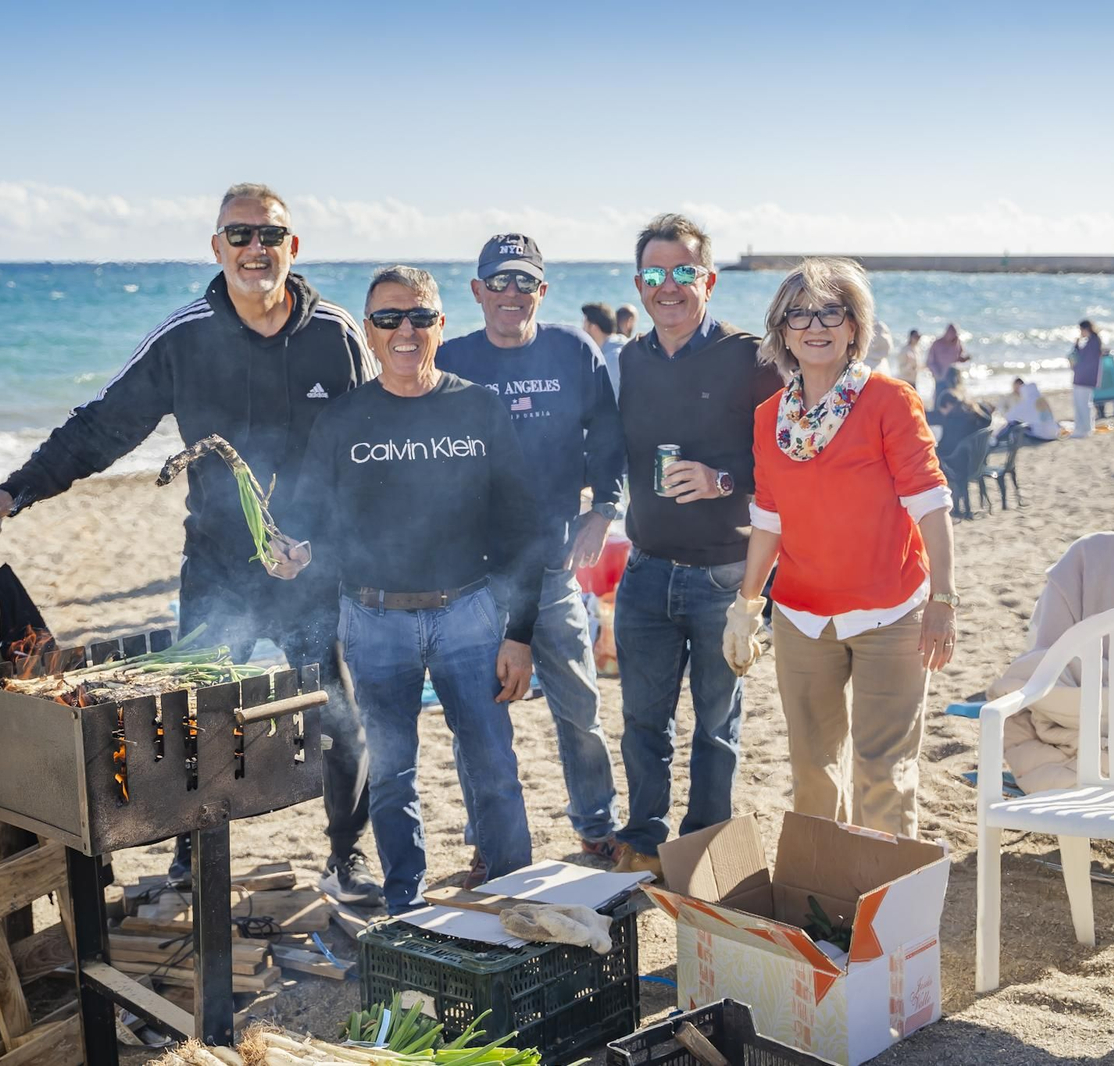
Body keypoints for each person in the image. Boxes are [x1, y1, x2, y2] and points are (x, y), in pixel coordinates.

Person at [0, 182, 383, 903]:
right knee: (197, 716)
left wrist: (323, 543)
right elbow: (103, 425)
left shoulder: (335, 333)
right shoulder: (185, 333)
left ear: (294, 246)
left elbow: (370, 446)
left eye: (271, 236)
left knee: (336, 711)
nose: (257, 249)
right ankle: (192, 860)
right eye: (241, 235)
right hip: (219, 565)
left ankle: (346, 858)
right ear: (217, 247)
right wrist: (19, 489)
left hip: (311, 566)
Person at [280, 265, 539, 913]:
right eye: (389, 318)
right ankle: (406, 908)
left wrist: (521, 633)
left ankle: (517, 901)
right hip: (372, 622)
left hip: (471, 616)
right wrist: (289, 551)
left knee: (495, 772)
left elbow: (523, 529)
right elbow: (308, 522)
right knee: (392, 777)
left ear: (440, 326)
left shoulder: (478, 407)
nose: (405, 329)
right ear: (368, 333)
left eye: (420, 316)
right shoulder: (342, 420)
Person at [722, 257, 956, 838]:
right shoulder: (769, 418)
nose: (815, 324)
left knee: (882, 771)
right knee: (812, 775)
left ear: (854, 327)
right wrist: (747, 607)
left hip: (891, 613)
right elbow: (768, 520)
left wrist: (944, 599)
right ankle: (827, 904)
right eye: (798, 314)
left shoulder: (890, 400)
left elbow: (930, 503)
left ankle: (886, 911)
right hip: (802, 619)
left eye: (831, 311)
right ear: (782, 332)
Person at [440, 237, 625, 871]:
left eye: (525, 282)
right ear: (477, 291)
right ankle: (487, 842)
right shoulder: (452, 357)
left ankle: (596, 827)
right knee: (479, 721)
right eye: (499, 281)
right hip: (471, 579)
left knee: (579, 707)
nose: (511, 294)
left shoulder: (573, 350)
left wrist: (604, 508)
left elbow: (608, 433)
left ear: (541, 291)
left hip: (550, 570)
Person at [610, 214, 785, 878]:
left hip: (724, 577)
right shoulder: (632, 356)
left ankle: (705, 846)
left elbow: (786, 464)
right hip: (646, 571)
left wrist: (722, 480)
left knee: (716, 729)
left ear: (708, 279)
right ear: (639, 284)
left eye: (684, 271)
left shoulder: (750, 358)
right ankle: (646, 841)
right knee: (642, 726)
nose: (670, 286)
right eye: (655, 274)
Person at [581, 300, 627, 397]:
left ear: (594, 328)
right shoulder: (627, 346)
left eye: (584, 325)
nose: (582, 331)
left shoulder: (609, 361)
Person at [1070, 320, 1104, 437]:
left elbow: (1085, 359)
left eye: (1081, 330)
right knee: (1081, 404)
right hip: (1083, 377)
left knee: (1083, 405)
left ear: (1085, 329)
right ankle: (1082, 428)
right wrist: (1076, 346)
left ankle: (1084, 430)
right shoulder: (1092, 341)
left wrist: (1076, 351)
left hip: (1085, 378)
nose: (1080, 332)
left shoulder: (1094, 342)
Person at [926, 325, 969, 391]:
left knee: (954, 396)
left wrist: (964, 359)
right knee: (940, 395)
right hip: (940, 376)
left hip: (953, 376)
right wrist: (936, 373)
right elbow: (930, 361)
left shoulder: (956, 342)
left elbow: (960, 356)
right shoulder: (937, 344)